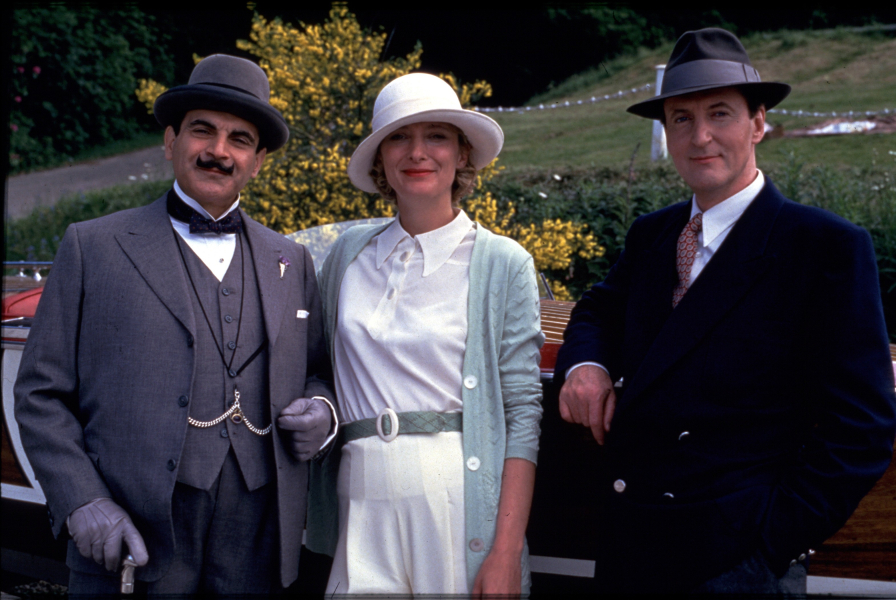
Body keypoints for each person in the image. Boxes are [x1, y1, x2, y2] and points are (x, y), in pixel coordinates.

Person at [554, 28, 896, 594]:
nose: (700, 136)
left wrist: (770, 544)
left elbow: (862, 429)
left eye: (720, 114)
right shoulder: (652, 235)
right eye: (681, 119)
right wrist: (585, 366)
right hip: (629, 549)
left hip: (735, 565)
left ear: (758, 123)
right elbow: (597, 312)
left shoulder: (824, 247)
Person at [14, 54, 337, 595]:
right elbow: (39, 394)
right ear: (170, 141)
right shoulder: (93, 246)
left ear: (258, 161)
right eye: (202, 131)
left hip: (256, 542)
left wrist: (323, 411)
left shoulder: (292, 260)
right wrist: (82, 500)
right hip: (130, 536)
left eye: (239, 139)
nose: (219, 151)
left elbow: (317, 373)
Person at [305, 72, 544, 595]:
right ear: (380, 158)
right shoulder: (345, 257)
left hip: (456, 506)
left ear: (462, 154)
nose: (417, 152)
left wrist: (505, 551)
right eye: (399, 137)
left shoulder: (503, 262)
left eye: (436, 136)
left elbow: (522, 412)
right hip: (358, 499)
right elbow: (317, 370)